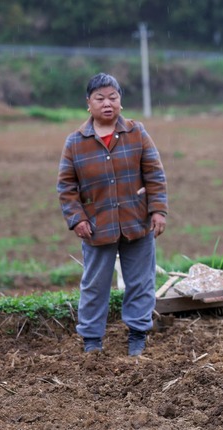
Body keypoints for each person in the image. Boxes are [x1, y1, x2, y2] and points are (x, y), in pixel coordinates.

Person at [57, 73, 168, 356]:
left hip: (136, 221)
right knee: (95, 285)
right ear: (88, 103)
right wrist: (77, 219)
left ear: (120, 100)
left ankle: (138, 336)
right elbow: (66, 186)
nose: (108, 103)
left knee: (141, 282)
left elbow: (154, 174)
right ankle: (92, 340)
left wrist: (158, 210)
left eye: (113, 97)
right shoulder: (75, 142)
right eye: (100, 98)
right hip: (97, 226)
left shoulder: (136, 133)